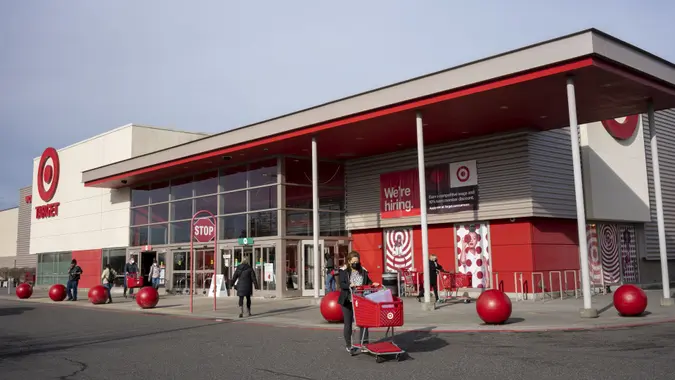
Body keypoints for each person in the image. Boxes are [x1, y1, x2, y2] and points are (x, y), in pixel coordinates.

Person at [337, 251, 379, 353]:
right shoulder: (343, 271)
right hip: (348, 300)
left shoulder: (363, 270)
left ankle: (364, 344)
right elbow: (341, 284)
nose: (356, 263)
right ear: (349, 261)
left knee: (364, 323)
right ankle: (349, 345)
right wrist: (349, 285)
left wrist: (373, 284)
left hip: (360, 300)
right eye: (353, 262)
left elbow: (368, 281)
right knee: (348, 323)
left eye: (357, 261)